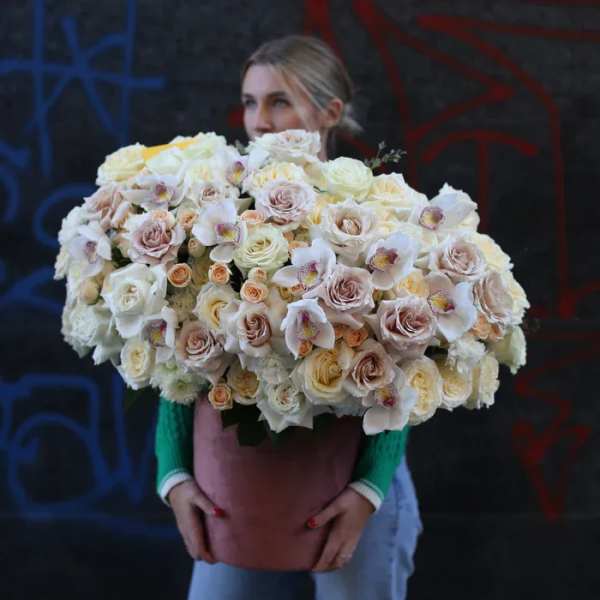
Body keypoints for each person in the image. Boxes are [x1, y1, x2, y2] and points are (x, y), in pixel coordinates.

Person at [155, 34, 423, 600]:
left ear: (329, 112)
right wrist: (173, 475)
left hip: (355, 482)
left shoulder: (378, 219)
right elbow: (178, 355)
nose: (259, 120)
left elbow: (403, 369)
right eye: (250, 102)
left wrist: (371, 489)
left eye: (279, 101)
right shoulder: (214, 212)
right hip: (236, 479)